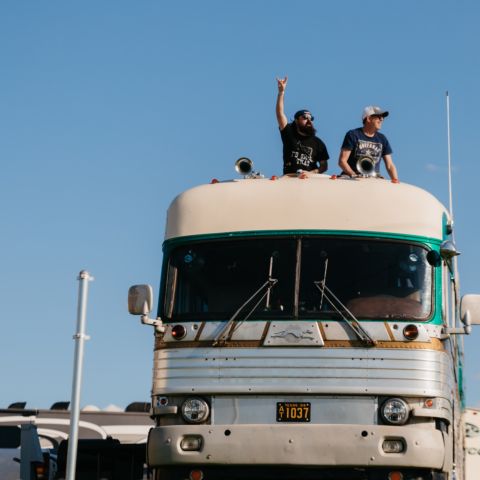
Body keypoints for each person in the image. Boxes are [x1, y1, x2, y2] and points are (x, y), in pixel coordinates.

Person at [276, 76, 329, 175]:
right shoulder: (289, 134)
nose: (309, 120)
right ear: (296, 120)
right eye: (305, 117)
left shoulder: (318, 143)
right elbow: (280, 114)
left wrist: (311, 173)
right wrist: (281, 92)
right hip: (289, 179)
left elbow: (324, 166)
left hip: (311, 182)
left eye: (310, 118)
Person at [338, 106, 399, 182]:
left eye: (382, 118)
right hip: (351, 179)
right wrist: (353, 175)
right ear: (368, 119)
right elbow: (342, 161)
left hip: (373, 179)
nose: (382, 119)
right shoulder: (353, 135)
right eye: (379, 117)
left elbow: (390, 165)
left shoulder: (382, 138)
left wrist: (395, 180)